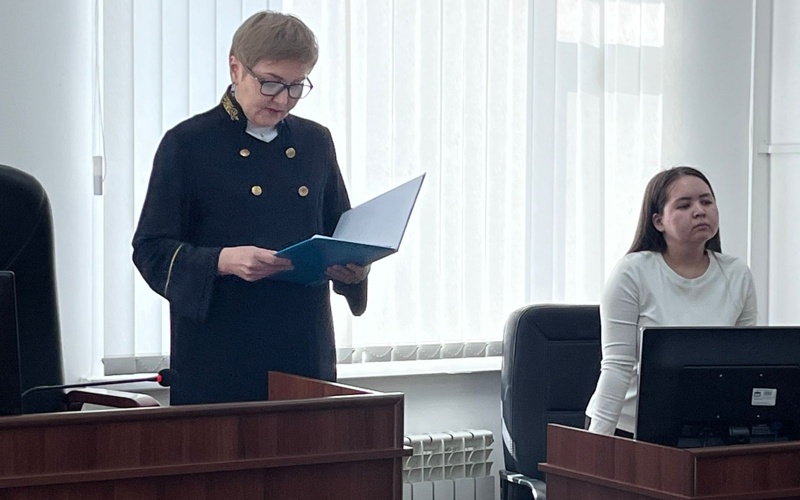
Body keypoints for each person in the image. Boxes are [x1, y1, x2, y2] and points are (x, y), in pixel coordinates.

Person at [132, 11, 369, 405]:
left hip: (304, 346)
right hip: (220, 352)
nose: (283, 100)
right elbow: (151, 250)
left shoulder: (315, 142)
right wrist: (222, 260)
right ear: (236, 68)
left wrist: (354, 270)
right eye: (271, 83)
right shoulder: (188, 144)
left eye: (296, 86)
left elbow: (339, 233)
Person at [584, 166, 758, 436]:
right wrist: (596, 445)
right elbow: (617, 366)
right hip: (627, 426)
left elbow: (747, 364)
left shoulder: (737, 274)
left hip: (702, 426)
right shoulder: (633, 272)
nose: (699, 211)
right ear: (658, 221)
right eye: (684, 205)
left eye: (706, 202)